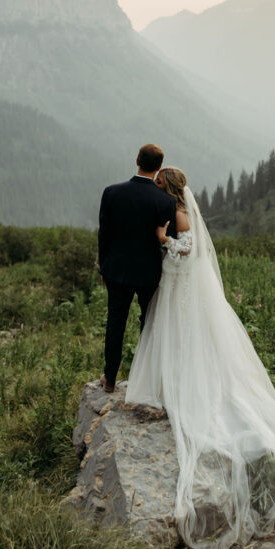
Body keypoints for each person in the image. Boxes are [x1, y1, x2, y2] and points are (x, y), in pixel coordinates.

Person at [126, 166, 275, 549]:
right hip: (177, 285)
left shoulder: (180, 213)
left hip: (180, 285)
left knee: (183, 336)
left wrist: (164, 241)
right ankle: (171, 379)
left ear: (170, 186)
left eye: (161, 181)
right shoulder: (176, 205)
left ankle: (180, 383)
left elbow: (189, 249)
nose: (157, 184)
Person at [98, 143, 177, 393]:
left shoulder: (111, 193)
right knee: (148, 323)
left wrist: (104, 267)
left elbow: (104, 235)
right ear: (158, 169)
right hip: (149, 272)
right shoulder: (165, 201)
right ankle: (144, 380)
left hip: (117, 270)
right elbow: (168, 239)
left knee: (115, 322)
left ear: (137, 160)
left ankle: (110, 379)